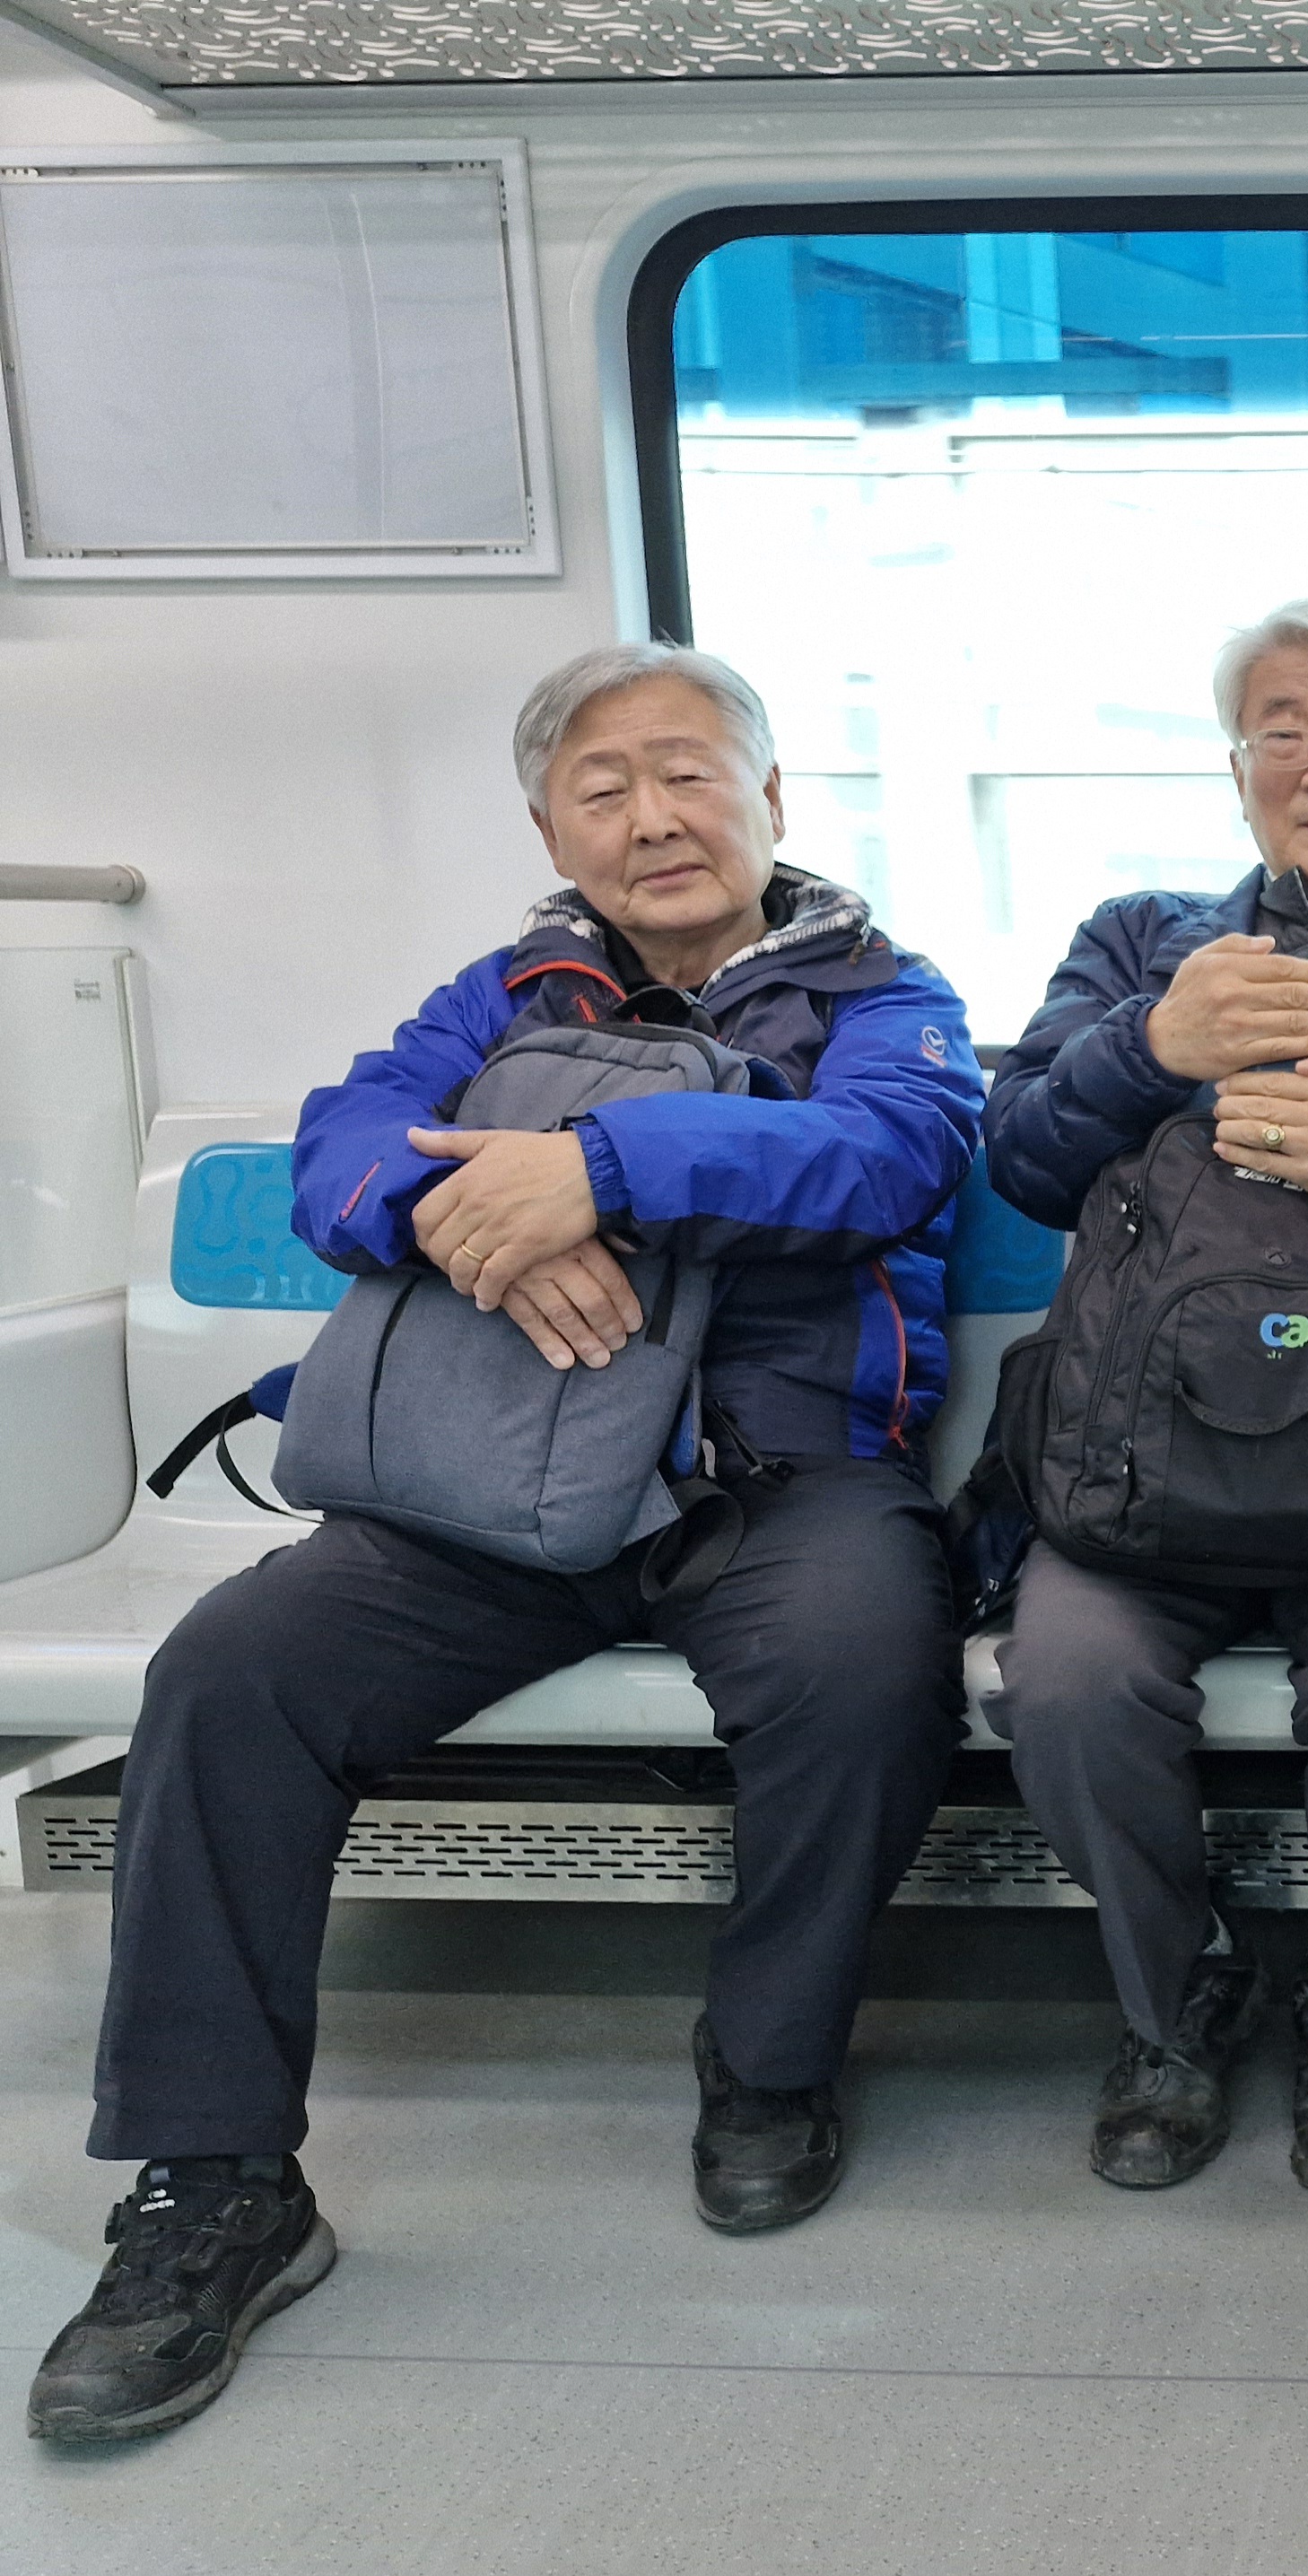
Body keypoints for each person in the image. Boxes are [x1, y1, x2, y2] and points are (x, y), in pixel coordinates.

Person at [28, 644, 980, 2445]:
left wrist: (593, 1171)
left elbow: (885, 1161)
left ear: (772, 800)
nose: (653, 815)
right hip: (502, 1476)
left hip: (778, 1478)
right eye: (602, 788)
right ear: (551, 830)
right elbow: (340, 1152)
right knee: (233, 1673)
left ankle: (768, 2064)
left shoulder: (883, 991)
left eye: (690, 773)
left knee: (865, 1669)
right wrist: (478, 1222)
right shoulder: (500, 993)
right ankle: (217, 2181)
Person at [980, 601, 1308, 2199]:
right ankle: (1179, 1986)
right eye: (1283, 731)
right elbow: (1024, 1162)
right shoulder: (1142, 941)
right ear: (1237, 771)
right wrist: (1154, 1046)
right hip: (1137, 1472)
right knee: (1067, 1681)